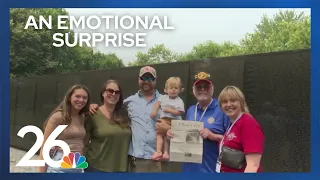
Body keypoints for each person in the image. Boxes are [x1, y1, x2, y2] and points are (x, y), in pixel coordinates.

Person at [89, 66, 170, 172]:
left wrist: (169, 127)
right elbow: (110, 106)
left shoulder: (167, 101)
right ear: (138, 79)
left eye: (150, 78)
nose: (146, 81)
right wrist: (92, 106)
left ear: (155, 80)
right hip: (136, 161)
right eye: (143, 78)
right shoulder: (129, 102)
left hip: (159, 161)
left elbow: (178, 126)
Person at [167, 72, 230, 172]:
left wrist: (212, 136)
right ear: (193, 90)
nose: (202, 89)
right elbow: (185, 137)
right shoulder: (191, 110)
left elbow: (232, 142)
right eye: (199, 87)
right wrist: (173, 134)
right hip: (188, 170)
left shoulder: (222, 110)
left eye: (206, 86)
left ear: (212, 88)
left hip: (211, 170)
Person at [39, 84, 90, 173]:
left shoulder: (81, 117)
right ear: (69, 98)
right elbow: (44, 147)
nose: (81, 100)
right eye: (77, 96)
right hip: (60, 164)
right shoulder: (58, 117)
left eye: (84, 97)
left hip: (77, 164)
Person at [83, 80, 132, 172]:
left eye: (117, 92)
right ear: (103, 93)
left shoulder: (126, 114)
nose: (113, 94)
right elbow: (83, 141)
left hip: (121, 169)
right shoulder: (92, 114)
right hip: (96, 168)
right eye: (110, 91)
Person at [216, 85, 264, 173]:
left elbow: (253, 165)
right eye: (224, 101)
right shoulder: (232, 124)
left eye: (233, 100)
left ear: (241, 102)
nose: (228, 104)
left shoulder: (248, 123)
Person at [150, 77, 185, 160]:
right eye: (171, 88)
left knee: (164, 135)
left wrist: (169, 110)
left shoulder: (179, 100)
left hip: (173, 121)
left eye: (176, 88)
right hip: (164, 119)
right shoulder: (163, 97)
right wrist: (154, 111)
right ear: (166, 90)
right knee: (161, 135)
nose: (173, 90)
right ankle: (161, 152)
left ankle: (163, 152)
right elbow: (157, 104)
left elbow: (179, 112)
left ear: (180, 90)